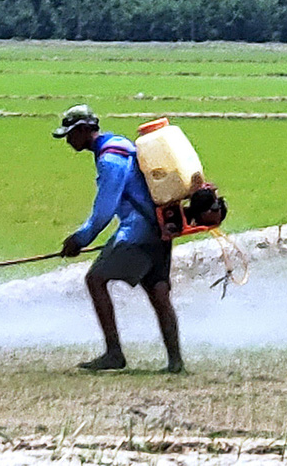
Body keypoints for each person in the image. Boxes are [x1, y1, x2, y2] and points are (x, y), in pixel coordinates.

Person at [53, 105, 183, 373]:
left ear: (84, 130)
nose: (68, 141)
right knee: (159, 293)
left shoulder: (110, 159)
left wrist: (81, 239)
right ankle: (175, 362)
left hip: (139, 231)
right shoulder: (120, 143)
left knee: (95, 279)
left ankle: (114, 354)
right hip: (160, 227)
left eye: (70, 134)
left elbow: (105, 208)